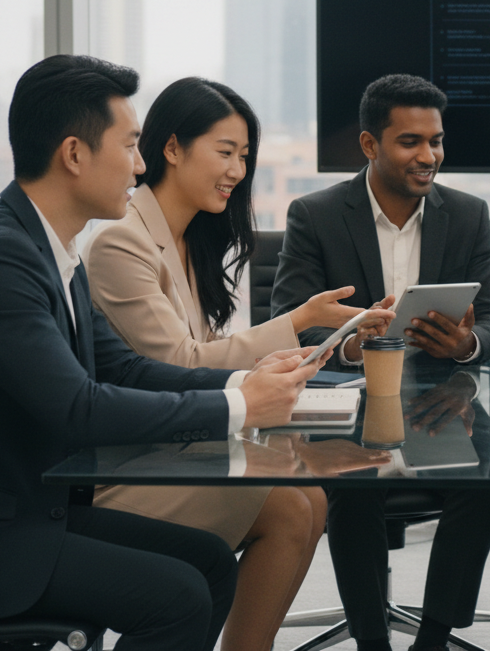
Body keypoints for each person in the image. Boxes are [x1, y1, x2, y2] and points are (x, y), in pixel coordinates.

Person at [0, 55, 327, 651]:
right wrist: (241, 409)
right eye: (129, 145)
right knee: (176, 595)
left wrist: (242, 384)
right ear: (75, 155)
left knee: (208, 563)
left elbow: (124, 368)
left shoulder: (53, 248)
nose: (139, 163)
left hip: (16, 509)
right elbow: (78, 410)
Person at [82, 76, 395, 651]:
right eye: (224, 152)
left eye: (244, 157)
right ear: (171, 149)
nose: (237, 171)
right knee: (289, 497)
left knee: (307, 500)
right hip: (124, 469)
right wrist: (298, 321)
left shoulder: (186, 242)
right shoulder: (120, 245)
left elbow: (199, 359)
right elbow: (179, 361)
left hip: (177, 447)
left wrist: (289, 354)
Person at [270, 74, 490, 651]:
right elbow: (287, 320)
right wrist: (356, 338)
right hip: (351, 402)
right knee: (352, 480)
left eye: (436, 140)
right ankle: (372, 641)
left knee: (487, 477)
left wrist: (465, 344)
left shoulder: (468, 214)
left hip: (440, 406)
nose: (429, 156)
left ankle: (433, 637)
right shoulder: (316, 214)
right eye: (410, 142)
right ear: (370, 145)